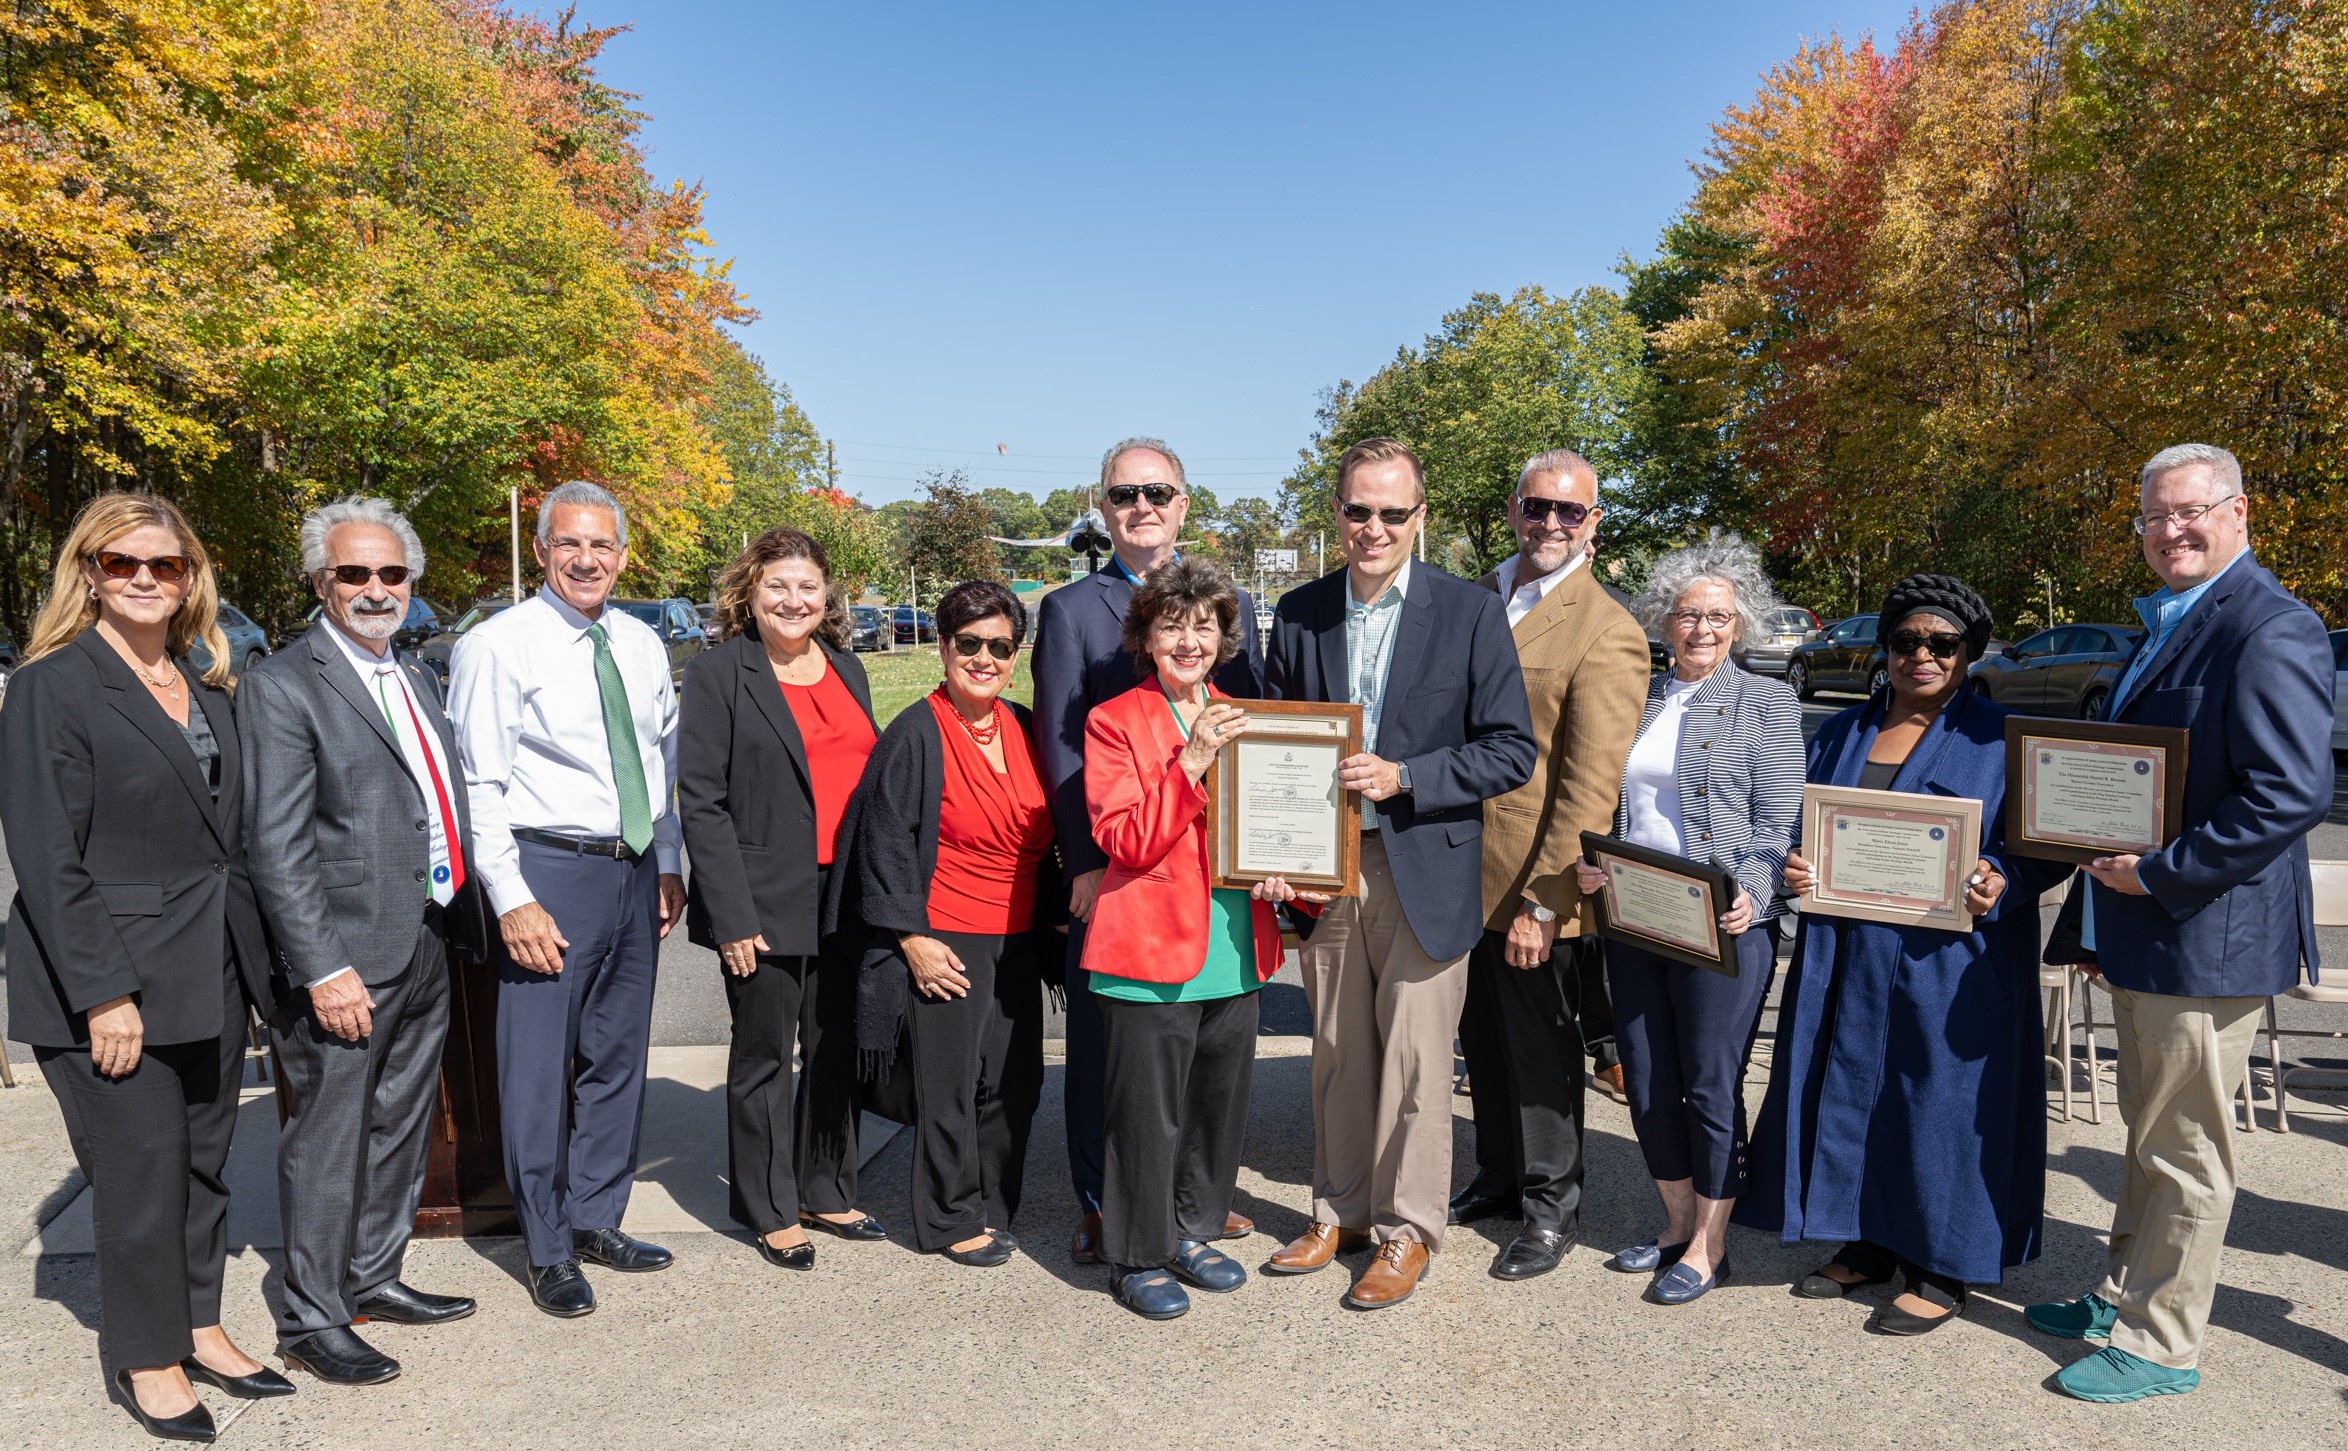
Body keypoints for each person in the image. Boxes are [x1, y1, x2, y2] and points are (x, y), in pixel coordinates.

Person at [2026, 444, 2333, 1403]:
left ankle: (2161, 1343)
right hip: (2148, 928)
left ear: (2241, 511)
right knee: (2147, 1127)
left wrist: (2158, 873)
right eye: (2154, 518)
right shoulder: (2169, 624)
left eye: (2189, 512)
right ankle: (2122, 1289)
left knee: (2189, 1147)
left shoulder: (2270, 626)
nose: (2171, 532)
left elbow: (2291, 794)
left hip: (2206, 932)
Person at [0, 493, 289, 1440]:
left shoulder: (208, 684)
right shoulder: (55, 685)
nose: (142, 579)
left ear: (188, 577)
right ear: (88, 572)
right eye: (120, 563)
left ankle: (198, 1320)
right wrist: (104, 992)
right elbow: (48, 854)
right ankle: (147, 1355)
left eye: (162, 565)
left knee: (205, 1167)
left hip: (209, 972)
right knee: (139, 1174)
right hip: (108, 983)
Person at [1262, 437, 1535, 1308]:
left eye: (1391, 512)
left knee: (1419, 1063)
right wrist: (1270, 851)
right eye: (1357, 510)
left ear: (1423, 516)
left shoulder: (1469, 611)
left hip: (1426, 864)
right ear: (1335, 514)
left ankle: (1406, 1229)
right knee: (1340, 1052)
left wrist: (1409, 775)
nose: (1372, 527)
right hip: (1328, 864)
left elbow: (1511, 750)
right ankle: (1337, 1211)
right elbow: (1275, 745)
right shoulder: (1299, 612)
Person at [1739, 574, 2047, 1335]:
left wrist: (2004, 874)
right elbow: (1798, 820)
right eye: (1907, 640)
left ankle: (1943, 1263)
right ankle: (1868, 1240)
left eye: (1942, 643)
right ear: (1887, 647)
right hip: (1849, 941)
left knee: (1939, 1102)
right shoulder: (1844, 731)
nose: (1922, 655)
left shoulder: (2000, 735)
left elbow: (2042, 841)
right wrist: (1796, 862)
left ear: (1969, 653)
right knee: (1855, 1088)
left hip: (1954, 954)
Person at [238, 498, 479, 1385]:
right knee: (329, 1137)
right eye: (354, 573)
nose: (375, 589)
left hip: (422, 934)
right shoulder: (285, 680)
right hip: (343, 954)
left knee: (402, 1125)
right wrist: (322, 964)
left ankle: (374, 1275)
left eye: (391, 574)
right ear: (319, 581)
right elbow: (276, 839)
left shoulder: (412, 673)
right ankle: (311, 1314)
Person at [448, 481, 688, 1317]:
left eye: (603, 546)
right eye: (569, 544)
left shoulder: (642, 642)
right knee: (539, 1069)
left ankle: (596, 1216)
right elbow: (477, 785)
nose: (587, 559)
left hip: (630, 870)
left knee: (617, 1059)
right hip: (548, 872)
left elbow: (658, 759)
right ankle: (547, 1245)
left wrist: (665, 857)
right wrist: (511, 897)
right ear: (543, 551)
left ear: (624, 555)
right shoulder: (497, 646)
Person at [1031, 436, 1262, 1266]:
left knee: (1204, 1081)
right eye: (1126, 493)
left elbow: (1263, 746)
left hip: (1221, 901)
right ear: (1104, 507)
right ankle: (1113, 1211)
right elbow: (1061, 751)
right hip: (1126, 866)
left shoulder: (1221, 609)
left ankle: (1189, 1216)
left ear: (1183, 503)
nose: (1143, 506)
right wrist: (1083, 861)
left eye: (1158, 492)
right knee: (1122, 1069)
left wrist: (1286, 863)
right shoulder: (1070, 611)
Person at [1570, 535, 1803, 1305]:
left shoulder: (1767, 702)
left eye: (1718, 616)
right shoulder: (1637, 696)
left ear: (1740, 625)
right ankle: (1674, 1225)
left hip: (1725, 929)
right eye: (1687, 614)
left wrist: (1758, 888)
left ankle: (1711, 1243)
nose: (1702, 627)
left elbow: (1778, 822)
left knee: (1708, 1084)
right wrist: (1590, 863)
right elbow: (1606, 801)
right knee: (1644, 1080)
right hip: (1636, 919)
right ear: (1663, 621)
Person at [1451, 449, 1649, 1283]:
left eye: (1571, 512)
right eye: (1539, 507)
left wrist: (1544, 903)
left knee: (1540, 1059)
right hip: (1456, 873)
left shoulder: (1609, 630)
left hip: (1536, 885)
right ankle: (1498, 1178)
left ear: (1594, 525)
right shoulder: (1473, 598)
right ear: (1513, 509)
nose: (1552, 524)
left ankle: (1550, 1206)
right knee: (1483, 1045)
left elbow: (1589, 787)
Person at [1079, 557, 1295, 1319]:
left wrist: (1284, 876)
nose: (1189, 639)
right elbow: (1126, 839)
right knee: (1146, 1116)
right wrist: (1193, 759)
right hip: (1147, 954)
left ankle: (1191, 1229)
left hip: (1236, 949)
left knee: (1213, 1111)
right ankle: (1136, 1254)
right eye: (1173, 624)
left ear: (1224, 636)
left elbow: (1275, 828)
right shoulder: (1113, 721)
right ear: (1146, 634)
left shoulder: (1252, 716)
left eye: (1204, 625)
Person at [830, 581, 1056, 1268]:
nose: (984, 657)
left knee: (1014, 1082)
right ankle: (947, 1217)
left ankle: (991, 1203)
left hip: (1019, 938)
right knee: (950, 1087)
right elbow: (883, 841)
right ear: (943, 645)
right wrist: (913, 939)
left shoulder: (1021, 725)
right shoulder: (916, 733)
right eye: (969, 643)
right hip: (947, 936)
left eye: (1000, 646)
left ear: (1016, 655)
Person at [679, 527, 885, 1271]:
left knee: (833, 1047)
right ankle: (768, 1205)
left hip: (844, 894)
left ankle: (825, 1187)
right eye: (777, 586)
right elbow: (701, 802)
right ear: (749, 592)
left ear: (826, 594)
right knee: (766, 1054)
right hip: (762, 896)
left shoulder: (849, 669)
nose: (794, 600)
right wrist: (731, 915)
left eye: (807, 587)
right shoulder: (719, 674)